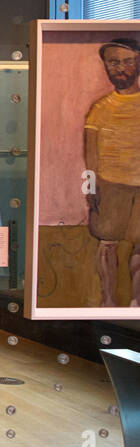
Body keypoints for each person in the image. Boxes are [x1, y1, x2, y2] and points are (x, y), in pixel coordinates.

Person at [84, 38, 140, 307]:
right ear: (106, 66)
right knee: (107, 244)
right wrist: (90, 188)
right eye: (114, 62)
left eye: (127, 61)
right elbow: (90, 154)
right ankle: (107, 301)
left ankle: (137, 303)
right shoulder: (100, 109)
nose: (120, 68)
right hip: (110, 186)